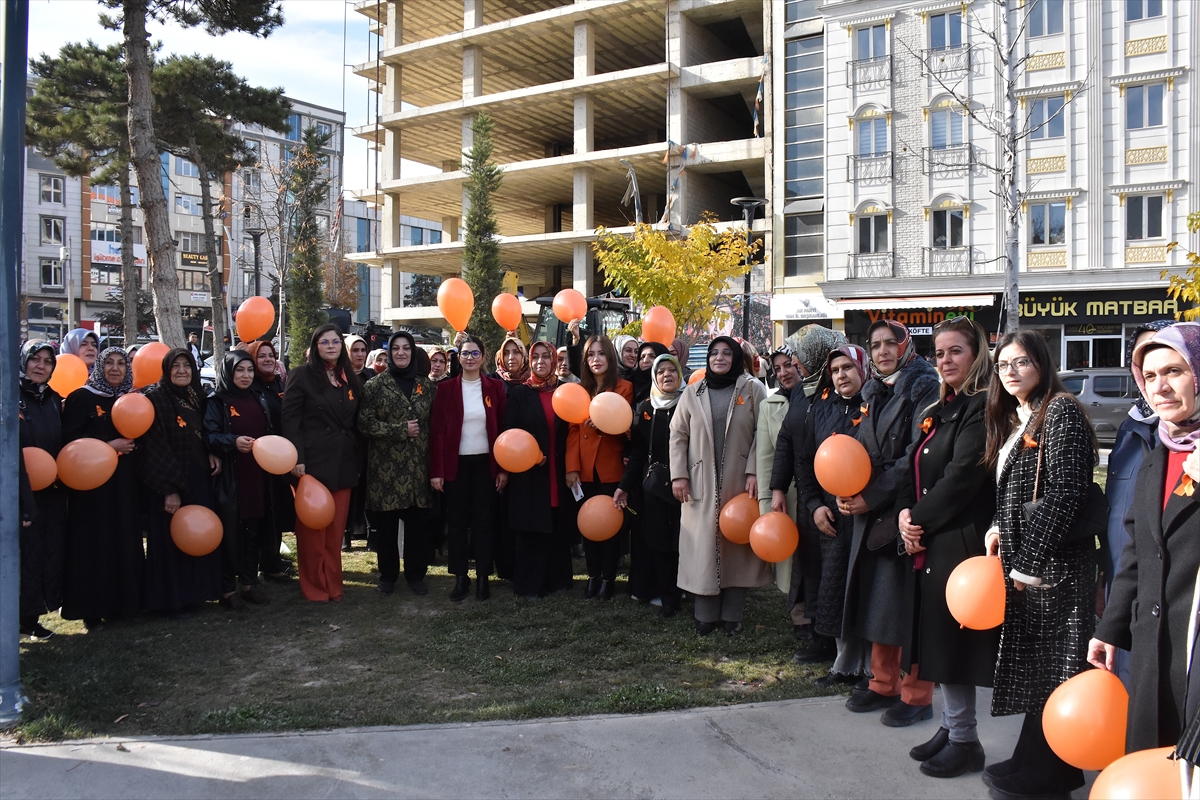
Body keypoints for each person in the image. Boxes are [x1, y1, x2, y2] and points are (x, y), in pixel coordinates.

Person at [981, 330, 1097, 798]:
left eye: (1021, 362)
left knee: (1057, 668)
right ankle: (1035, 759)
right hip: (1031, 564)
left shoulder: (1061, 410)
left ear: (1042, 364)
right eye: (1003, 364)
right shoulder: (1021, 416)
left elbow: (1067, 491)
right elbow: (1015, 490)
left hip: (1055, 567)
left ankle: (1051, 773)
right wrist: (996, 526)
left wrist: (1028, 562)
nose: (1011, 371)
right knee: (1041, 666)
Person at [895, 317, 999, 778]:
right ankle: (951, 725)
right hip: (931, 538)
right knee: (935, 640)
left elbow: (961, 479)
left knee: (952, 644)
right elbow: (914, 466)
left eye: (956, 351)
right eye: (939, 353)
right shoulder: (942, 406)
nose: (945, 360)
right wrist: (904, 515)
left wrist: (916, 520)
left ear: (976, 354)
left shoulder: (982, 406)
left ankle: (965, 740)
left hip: (960, 541)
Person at [1090, 323, 1200, 753]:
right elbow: (1138, 552)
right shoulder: (1158, 456)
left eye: (1174, 371)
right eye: (1150, 376)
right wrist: (1110, 629)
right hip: (1155, 654)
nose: (1161, 387)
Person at [842, 320, 941, 726]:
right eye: (875, 344)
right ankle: (883, 683)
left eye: (890, 343)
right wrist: (846, 487)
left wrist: (872, 494)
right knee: (879, 599)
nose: (882, 351)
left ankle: (917, 695)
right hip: (872, 506)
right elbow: (859, 448)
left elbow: (916, 454)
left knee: (910, 605)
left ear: (906, 346)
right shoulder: (872, 389)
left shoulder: (925, 387)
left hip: (908, 506)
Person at [670, 336, 769, 635]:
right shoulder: (693, 392)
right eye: (714, 353)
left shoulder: (752, 389)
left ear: (736, 358)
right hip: (699, 483)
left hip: (740, 482)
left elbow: (763, 432)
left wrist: (754, 471)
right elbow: (678, 434)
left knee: (735, 547)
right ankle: (705, 615)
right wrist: (679, 475)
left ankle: (732, 616)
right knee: (701, 548)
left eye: (727, 353)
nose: (720, 358)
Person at [1101, 319, 1176, 688]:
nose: (1158, 382)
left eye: (1171, 367)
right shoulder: (1131, 425)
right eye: (1146, 369)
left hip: (1172, 592)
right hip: (1123, 579)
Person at [790, 345, 870, 687]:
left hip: (868, 513)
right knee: (835, 588)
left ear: (862, 369)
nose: (841, 375)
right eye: (835, 370)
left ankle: (872, 669)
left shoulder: (876, 405)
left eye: (848, 367)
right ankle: (844, 664)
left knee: (866, 591)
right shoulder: (821, 407)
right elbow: (806, 461)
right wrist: (814, 506)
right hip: (831, 516)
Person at [771, 325, 845, 650]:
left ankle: (830, 638)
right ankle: (813, 627)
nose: (795, 363)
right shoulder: (803, 389)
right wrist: (777, 487)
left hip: (834, 496)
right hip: (807, 494)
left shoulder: (837, 386)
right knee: (809, 563)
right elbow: (787, 440)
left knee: (831, 567)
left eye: (798, 357)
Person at [60, 346, 144, 630]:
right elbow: (69, 440)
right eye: (108, 362)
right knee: (93, 544)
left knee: (123, 540)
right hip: (92, 487)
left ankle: (123, 605)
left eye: (121, 363)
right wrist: (109, 446)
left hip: (124, 484)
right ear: (99, 366)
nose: (115, 368)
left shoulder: (132, 399)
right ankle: (92, 610)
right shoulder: (81, 398)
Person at [139, 348, 223, 617]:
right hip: (169, 482)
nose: (182, 371)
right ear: (166, 369)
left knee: (195, 534)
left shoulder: (197, 397)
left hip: (197, 478)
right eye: (175, 366)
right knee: (170, 542)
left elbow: (204, 432)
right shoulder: (156, 399)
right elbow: (155, 447)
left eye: (187, 365)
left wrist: (211, 451)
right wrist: (170, 489)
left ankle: (194, 594)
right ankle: (170, 602)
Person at [282, 324, 362, 603]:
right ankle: (315, 587)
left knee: (335, 531)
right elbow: (290, 420)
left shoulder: (348, 377)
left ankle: (333, 585)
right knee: (313, 532)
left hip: (343, 463)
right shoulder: (301, 375)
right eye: (324, 342)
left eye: (335, 341)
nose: (331, 346)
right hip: (311, 466)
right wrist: (297, 459)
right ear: (315, 347)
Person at [358, 331, 438, 596]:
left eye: (406, 348)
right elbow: (365, 424)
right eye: (396, 348)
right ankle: (388, 576)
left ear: (413, 352)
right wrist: (399, 430)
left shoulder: (426, 386)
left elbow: (435, 425)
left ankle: (416, 575)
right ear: (389, 353)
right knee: (387, 528)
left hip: (417, 468)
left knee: (417, 528)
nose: (401, 353)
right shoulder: (375, 386)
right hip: (386, 469)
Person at [430, 334, 508, 601]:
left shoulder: (495, 388)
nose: (470, 358)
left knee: (484, 523)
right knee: (457, 523)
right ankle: (460, 578)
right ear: (458, 358)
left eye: (475, 353)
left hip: (486, 464)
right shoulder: (445, 389)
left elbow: (503, 430)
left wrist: (503, 468)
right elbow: (437, 433)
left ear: (483, 357)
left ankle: (483, 577)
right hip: (456, 465)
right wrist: (437, 471)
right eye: (465, 353)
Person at [204, 350, 276, 608]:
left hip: (257, 475)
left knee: (253, 531)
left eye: (249, 370)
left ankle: (249, 584)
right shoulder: (217, 401)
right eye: (239, 370)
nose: (246, 375)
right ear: (228, 372)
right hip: (231, 477)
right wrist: (232, 442)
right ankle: (226, 590)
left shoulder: (258, 397)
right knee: (229, 534)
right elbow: (209, 435)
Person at [503, 340, 574, 599]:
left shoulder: (566, 391)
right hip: (529, 473)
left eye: (546, 356)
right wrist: (530, 453)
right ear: (529, 361)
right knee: (531, 528)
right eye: (536, 357)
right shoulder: (520, 394)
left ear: (554, 361)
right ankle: (529, 585)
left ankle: (558, 580)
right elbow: (509, 432)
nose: (540, 361)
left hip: (560, 470)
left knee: (556, 525)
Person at [617, 353, 686, 617]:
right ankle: (667, 597)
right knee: (658, 541)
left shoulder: (690, 403)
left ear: (680, 374)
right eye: (661, 371)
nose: (667, 375)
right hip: (654, 487)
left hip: (687, 484)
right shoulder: (645, 407)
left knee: (682, 541)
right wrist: (624, 486)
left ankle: (684, 590)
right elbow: (637, 452)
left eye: (672, 370)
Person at [567, 335, 634, 600]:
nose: (596, 359)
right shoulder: (578, 390)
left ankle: (608, 578)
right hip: (585, 469)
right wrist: (571, 467)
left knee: (610, 525)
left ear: (610, 357)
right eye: (591, 355)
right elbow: (573, 432)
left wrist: (605, 423)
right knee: (589, 524)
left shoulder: (624, 388)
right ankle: (593, 576)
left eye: (601, 353)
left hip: (611, 467)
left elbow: (627, 428)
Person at [18, 341, 66, 638]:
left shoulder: (52, 399)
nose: (40, 365)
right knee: (20, 555)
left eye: (48, 361)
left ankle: (30, 618)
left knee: (43, 553)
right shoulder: (11, 396)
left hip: (51, 491)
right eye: (35, 359)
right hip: (20, 491)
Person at [244, 340, 292, 583]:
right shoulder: (249, 388)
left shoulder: (279, 384)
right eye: (261, 355)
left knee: (276, 513)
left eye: (271, 355)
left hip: (280, 460)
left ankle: (272, 562)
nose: (267, 359)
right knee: (259, 515)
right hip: (256, 461)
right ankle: (257, 568)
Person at [757, 347, 800, 601]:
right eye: (777, 369)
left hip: (821, 494)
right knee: (791, 563)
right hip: (787, 496)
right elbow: (765, 457)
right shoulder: (768, 406)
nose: (783, 372)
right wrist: (767, 502)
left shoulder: (824, 398)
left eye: (789, 365)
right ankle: (798, 612)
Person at [344, 333, 372, 552]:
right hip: (346, 440)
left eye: (363, 350)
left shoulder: (371, 376)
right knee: (348, 487)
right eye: (355, 350)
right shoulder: (340, 376)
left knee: (367, 487)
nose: (360, 354)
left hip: (368, 440)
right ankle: (345, 534)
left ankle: (365, 530)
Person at [631, 341, 670, 406]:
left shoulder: (670, 385)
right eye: (642, 357)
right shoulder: (630, 384)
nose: (645, 361)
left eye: (652, 356)